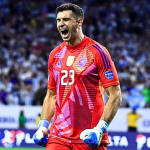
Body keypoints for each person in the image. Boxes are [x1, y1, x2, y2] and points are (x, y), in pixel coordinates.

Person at [33, 3, 122, 150]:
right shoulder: (55, 55)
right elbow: (51, 95)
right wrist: (43, 125)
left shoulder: (98, 52)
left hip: (89, 137)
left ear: (79, 22)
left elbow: (115, 95)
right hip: (59, 137)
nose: (61, 24)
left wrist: (100, 129)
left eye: (66, 20)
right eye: (58, 20)